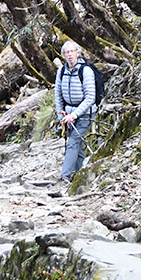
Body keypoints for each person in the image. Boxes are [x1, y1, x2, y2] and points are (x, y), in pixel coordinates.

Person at [54, 40, 95, 184]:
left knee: (73, 142)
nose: (70, 55)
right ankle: (81, 177)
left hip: (85, 114)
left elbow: (90, 97)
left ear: (77, 52)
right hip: (68, 115)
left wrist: (74, 115)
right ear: (63, 55)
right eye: (67, 52)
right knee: (77, 147)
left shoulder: (86, 71)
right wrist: (62, 115)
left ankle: (64, 177)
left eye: (72, 51)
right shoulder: (61, 72)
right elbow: (58, 95)